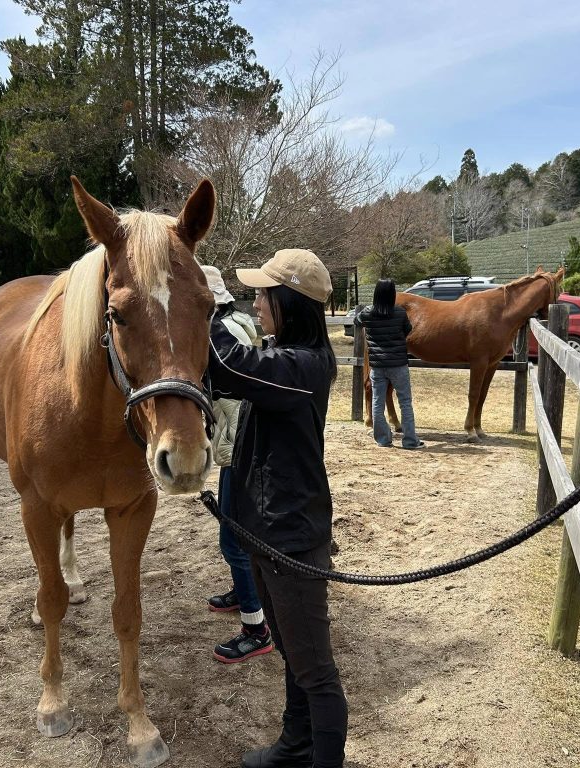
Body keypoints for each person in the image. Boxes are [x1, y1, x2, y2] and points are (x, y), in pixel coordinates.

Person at [208, 248, 347, 768]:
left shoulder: (302, 366)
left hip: (290, 537)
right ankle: (295, 746)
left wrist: (203, 306)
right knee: (292, 650)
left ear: (289, 302)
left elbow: (228, 364)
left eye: (264, 295)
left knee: (316, 670)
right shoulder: (287, 359)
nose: (257, 304)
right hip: (269, 533)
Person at [200, 264, 273, 664]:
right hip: (234, 433)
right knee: (233, 532)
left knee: (233, 538)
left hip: (234, 437)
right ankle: (243, 593)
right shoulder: (238, 322)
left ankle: (255, 627)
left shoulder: (222, 331)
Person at [355, 278, 424, 449]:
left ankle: (383, 439)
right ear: (392, 294)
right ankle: (410, 441)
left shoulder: (367, 313)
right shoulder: (400, 313)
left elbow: (357, 321)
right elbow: (408, 330)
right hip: (398, 364)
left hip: (377, 366)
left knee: (377, 402)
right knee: (405, 402)